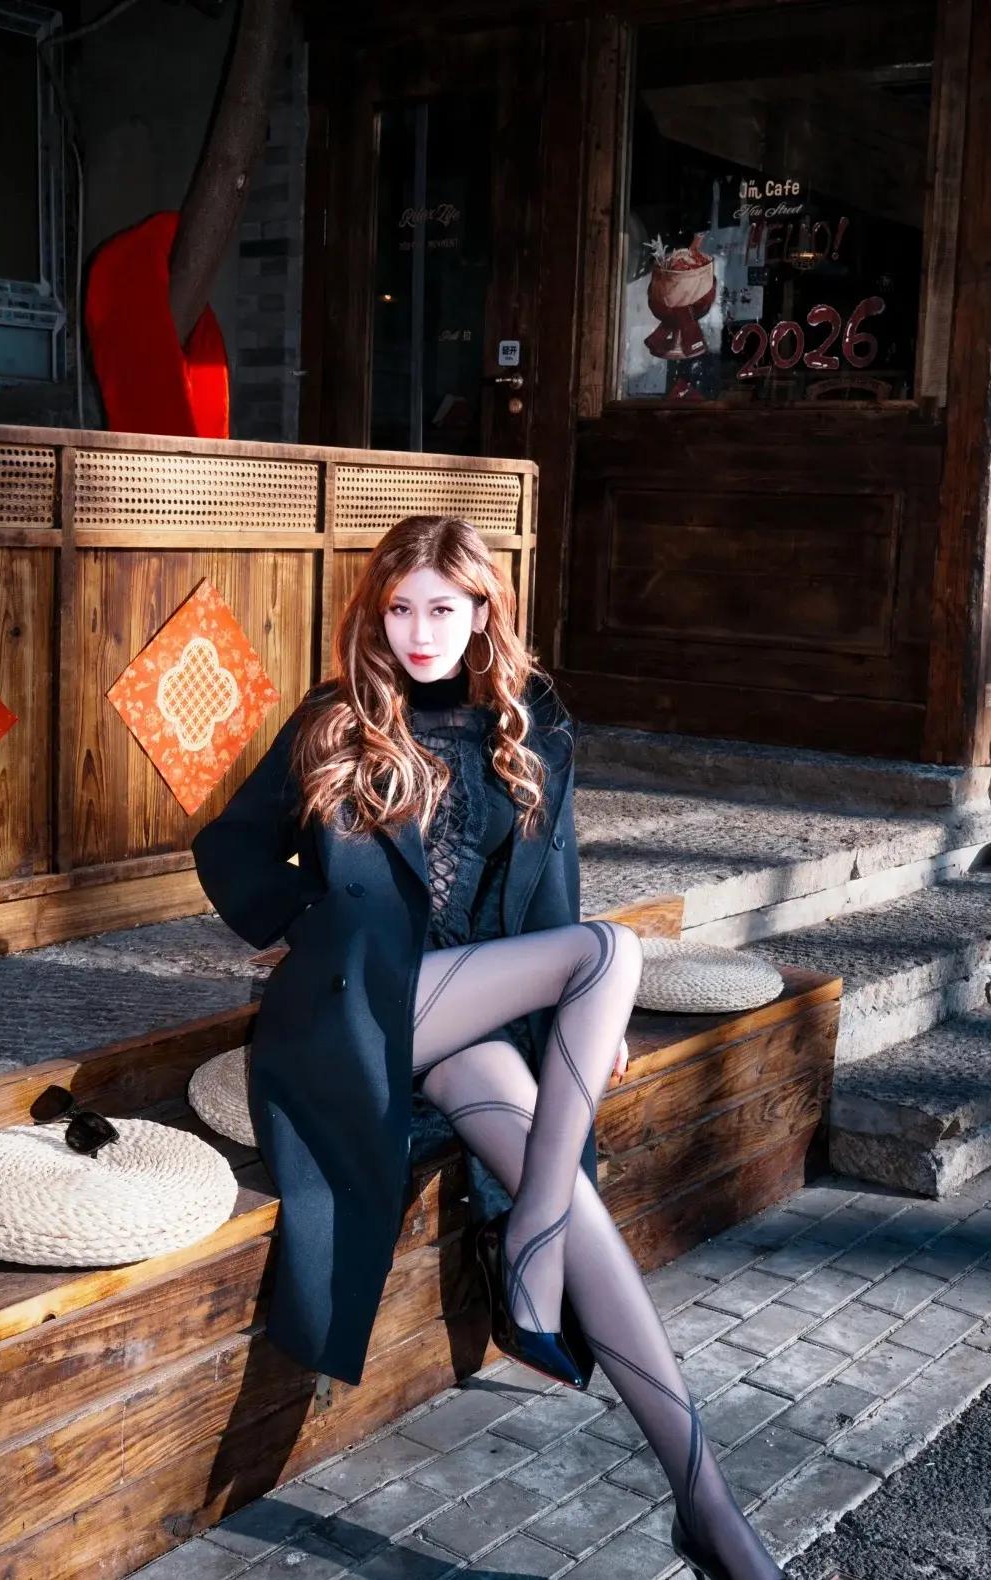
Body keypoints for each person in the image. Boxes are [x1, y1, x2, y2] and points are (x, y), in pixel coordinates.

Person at [192, 514, 784, 1580]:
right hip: (354, 1016)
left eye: (442, 609)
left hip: (465, 1022)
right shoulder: (336, 720)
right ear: (377, 615)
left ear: (482, 613)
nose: (419, 632)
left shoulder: (531, 723)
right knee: (609, 953)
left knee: (568, 1148)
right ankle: (530, 1257)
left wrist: (576, 1026)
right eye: (399, 609)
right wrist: (307, 927)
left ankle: (709, 1506)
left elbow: (551, 893)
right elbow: (227, 847)